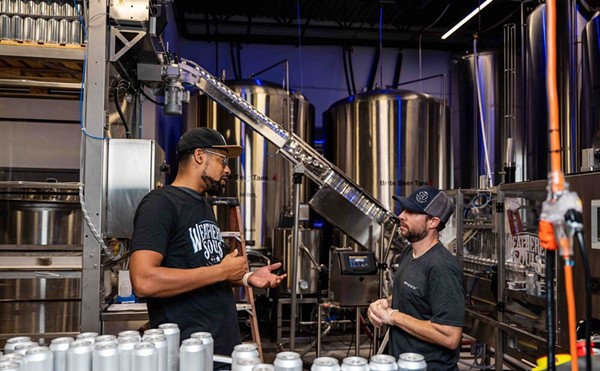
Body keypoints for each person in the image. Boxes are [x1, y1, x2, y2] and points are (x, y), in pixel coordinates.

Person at [130, 127, 286, 358]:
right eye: (222, 160)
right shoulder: (160, 204)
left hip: (221, 348)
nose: (228, 169)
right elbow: (143, 281)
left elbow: (206, 268)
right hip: (188, 354)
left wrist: (246, 277)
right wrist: (222, 271)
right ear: (200, 156)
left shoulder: (202, 205)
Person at [367, 185, 464, 371]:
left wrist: (394, 317)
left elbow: (450, 336)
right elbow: (413, 296)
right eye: (404, 210)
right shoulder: (408, 253)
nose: (401, 215)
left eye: (411, 212)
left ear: (433, 222)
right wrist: (383, 305)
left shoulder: (442, 267)